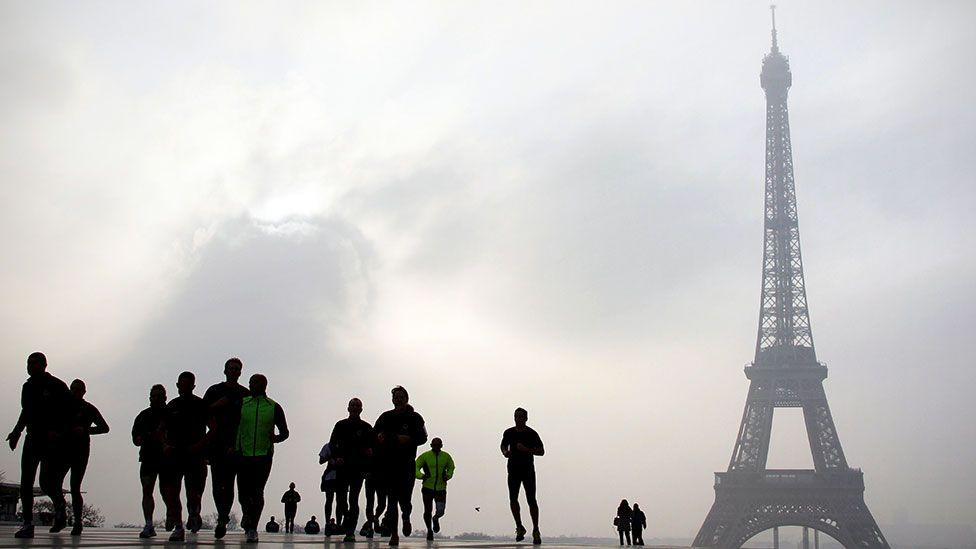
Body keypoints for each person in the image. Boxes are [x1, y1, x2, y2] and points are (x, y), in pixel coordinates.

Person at [6, 352, 72, 539]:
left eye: (34, 363)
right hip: (33, 438)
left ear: (44, 365)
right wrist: (17, 432)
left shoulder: (57, 386)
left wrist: (59, 432)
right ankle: (28, 523)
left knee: (46, 482)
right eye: (28, 363)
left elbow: (68, 412)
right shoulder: (27, 387)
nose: (30, 366)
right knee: (26, 482)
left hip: (52, 441)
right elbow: (25, 411)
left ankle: (60, 508)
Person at [236, 373, 289, 544]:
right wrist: (234, 447)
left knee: (257, 491)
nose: (251, 385)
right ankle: (246, 514)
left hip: (263, 455)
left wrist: (276, 438)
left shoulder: (273, 406)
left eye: (255, 382)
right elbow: (234, 427)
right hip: (243, 454)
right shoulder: (242, 404)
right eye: (250, 382)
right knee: (243, 493)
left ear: (264, 385)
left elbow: (285, 432)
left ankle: (252, 528)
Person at [159, 371, 210, 542]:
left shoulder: (200, 405)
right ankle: (178, 526)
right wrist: (165, 445)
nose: (184, 387)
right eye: (182, 384)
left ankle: (194, 512)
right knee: (172, 491)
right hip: (175, 453)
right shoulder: (172, 406)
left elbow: (214, 428)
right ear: (177, 385)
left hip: (194, 454)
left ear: (193, 386)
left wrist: (200, 445)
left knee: (193, 493)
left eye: (188, 385)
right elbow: (161, 429)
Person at [373, 386, 427, 546]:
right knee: (391, 500)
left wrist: (409, 439)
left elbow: (423, 437)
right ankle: (394, 534)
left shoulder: (415, 417)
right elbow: (374, 434)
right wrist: (379, 437)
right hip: (389, 463)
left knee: (405, 500)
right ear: (392, 399)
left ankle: (406, 515)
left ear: (407, 398)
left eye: (401, 396)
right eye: (396, 397)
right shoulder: (385, 417)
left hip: (407, 463)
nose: (398, 399)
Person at [202, 357, 250, 539]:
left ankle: (246, 519)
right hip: (217, 445)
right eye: (231, 368)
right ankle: (222, 517)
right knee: (219, 485)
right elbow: (202, 412)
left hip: (239, 446)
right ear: (225, 370)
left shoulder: (245, 394)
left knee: (242, 486)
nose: (234, 371)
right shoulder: (214, 391)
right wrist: (216, 407)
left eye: (237, 369)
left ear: (240, 372)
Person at [65, 379, 109, 536]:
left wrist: (85, 430)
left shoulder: (89, 409)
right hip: (62, 449)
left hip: (80, 451)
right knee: (50, 482)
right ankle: (60, 508)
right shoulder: (63, 407)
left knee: (75, 487)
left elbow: (105, 428)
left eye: (78, 389)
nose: (75, 392)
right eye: (73, 389)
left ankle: (77, 521)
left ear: (83, 391)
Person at [330, 397, 375, 542]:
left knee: (353, 499)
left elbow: (372, 449)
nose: (355, 407)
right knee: (341, 500)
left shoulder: (367, 427)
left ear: (361, 409)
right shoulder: (340, 425)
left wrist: (368, 467)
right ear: (348, 408)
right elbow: (331, 444)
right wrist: (336, 457)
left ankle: (350, 531)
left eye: (358, 405)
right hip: (342, 467)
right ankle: (346, 518)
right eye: (352, 405)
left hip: (358, 469)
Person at [500, 407, 545, 545]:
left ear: (526, 418)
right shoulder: (508, 432)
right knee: (513, 499)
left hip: (528, 470)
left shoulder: (532, 433)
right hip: (513, 470)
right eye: (516, 416)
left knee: (531, 500)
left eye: (520, 416)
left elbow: (541, 451)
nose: (518, 419)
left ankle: (536, 529)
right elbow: (502, 446)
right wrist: (505, 452)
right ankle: (519, 526)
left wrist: (527, 450)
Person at [132, 384, 168, 538]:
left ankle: (172, 516)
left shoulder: (170, 414)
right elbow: (135, 438)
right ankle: (148, 523)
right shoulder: (143, 416)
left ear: (165, 398)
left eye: (159, 396)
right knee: (147, 490)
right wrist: (141, 438)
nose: (156, 399)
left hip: (167, 458)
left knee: (167, 492)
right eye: (153, 396)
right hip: (148, 457)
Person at [415, 437, 455, 541]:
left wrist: (448, 475)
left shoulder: (446, 457)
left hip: (441, 488)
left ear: (441, 445)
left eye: (438, 445)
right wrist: (421, 476)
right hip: (427, 487)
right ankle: (429, 530)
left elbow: (451, 467)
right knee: (427, 511)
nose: (436, 447)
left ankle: (436, 518)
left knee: (441, 511)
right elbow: (415, 467)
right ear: (431, 445)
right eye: (434, 445)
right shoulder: (425, 456)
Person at [318, 442, 339, 534]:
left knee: (340, 501)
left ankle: (338, 523)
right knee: (330, 500)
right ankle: (328, 523)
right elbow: (321, 461)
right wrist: (330, 457)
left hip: (340, 476)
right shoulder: (329, 446)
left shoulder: (347, 445)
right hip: (331, 476)